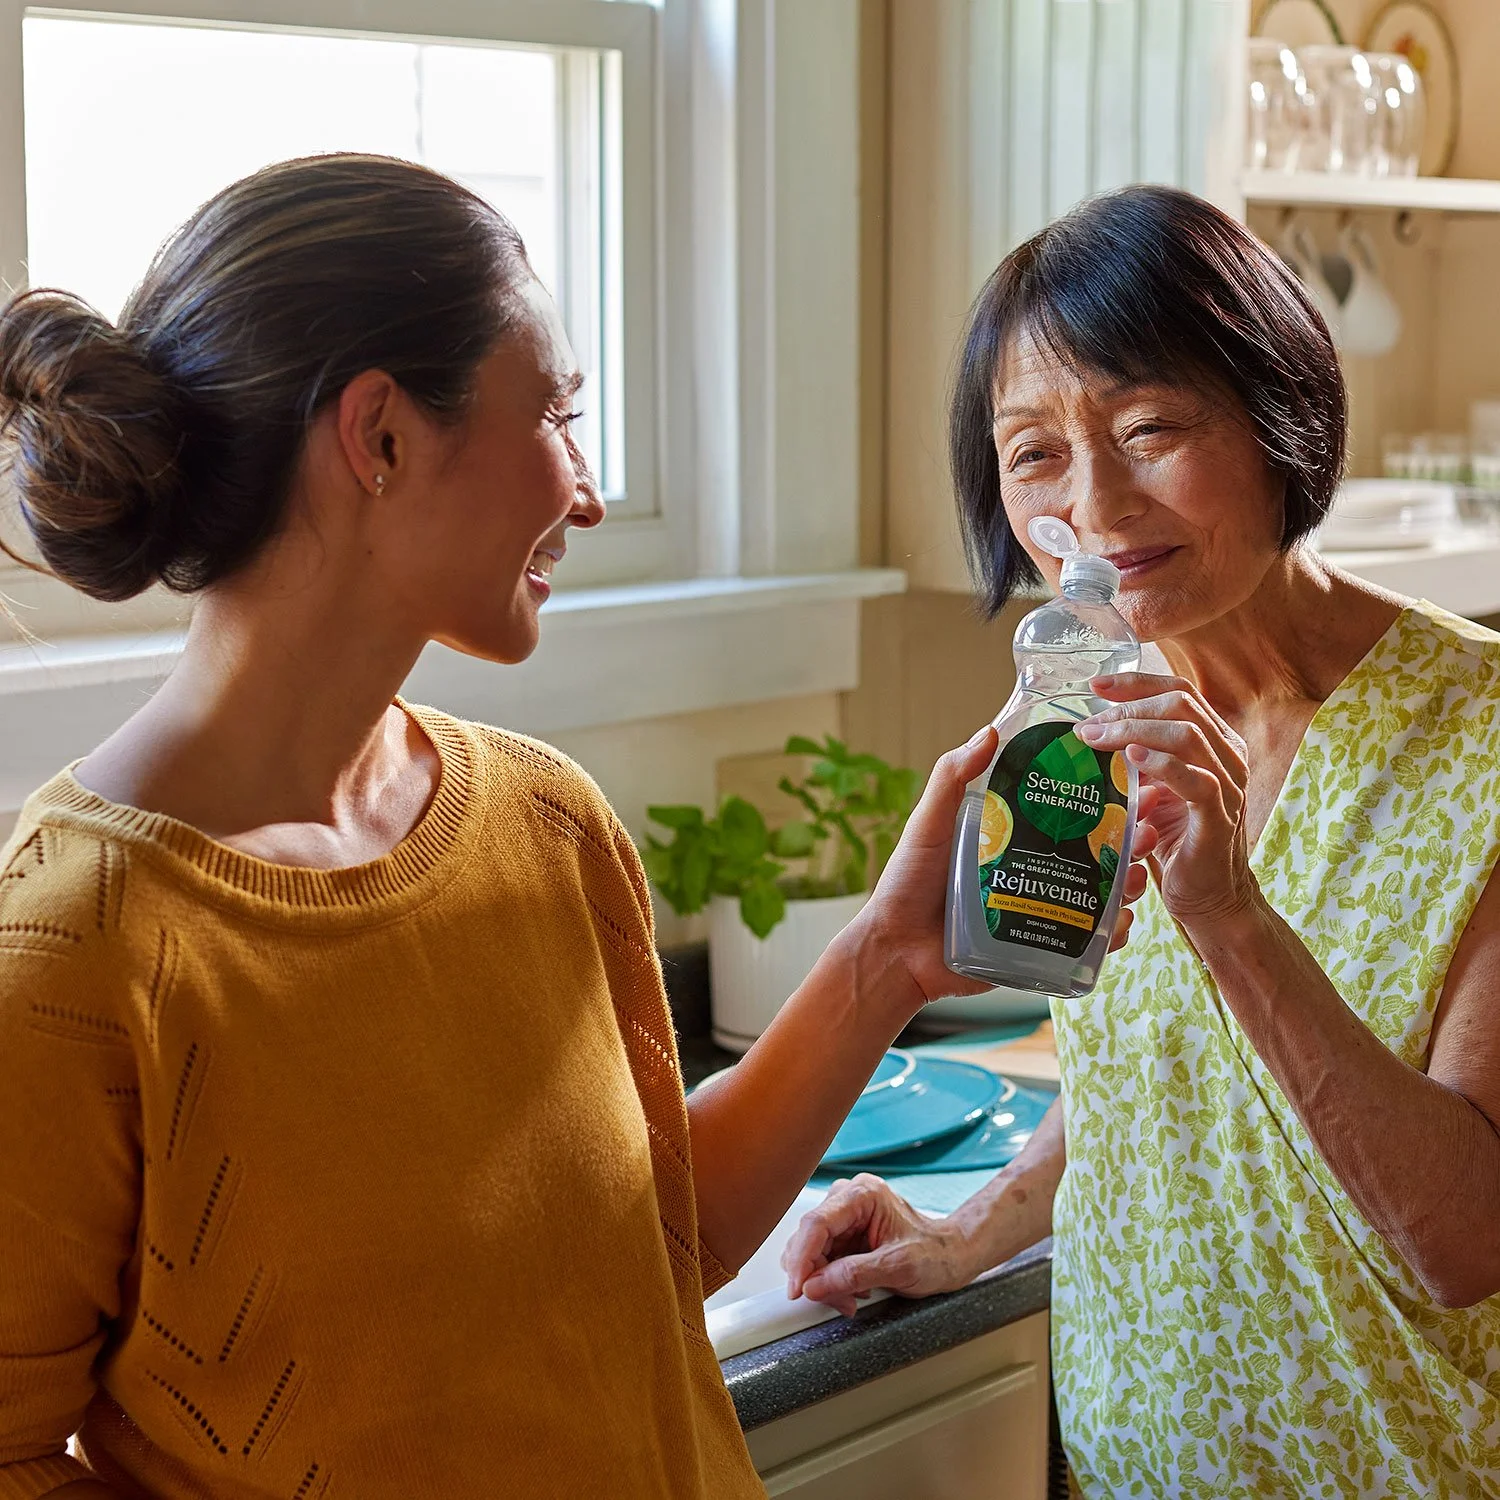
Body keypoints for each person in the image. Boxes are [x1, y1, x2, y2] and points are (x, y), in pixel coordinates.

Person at [0, 154, 1048, 1499]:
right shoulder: (71, 962)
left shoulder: (544, 820)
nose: (590, 490)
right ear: (379, 437)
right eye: (556, 413)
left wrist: (895, 954)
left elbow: (661, 1242)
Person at [783, 184, 1500, 1497]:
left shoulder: (1483, 742)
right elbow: (1152, 1073)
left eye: (1151, 426)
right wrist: (975, 1229)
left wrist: (1231, 918)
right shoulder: (1074, 717)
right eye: (1035, 452)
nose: (1097, 506)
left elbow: (1462, 1241)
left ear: (1283, 415)